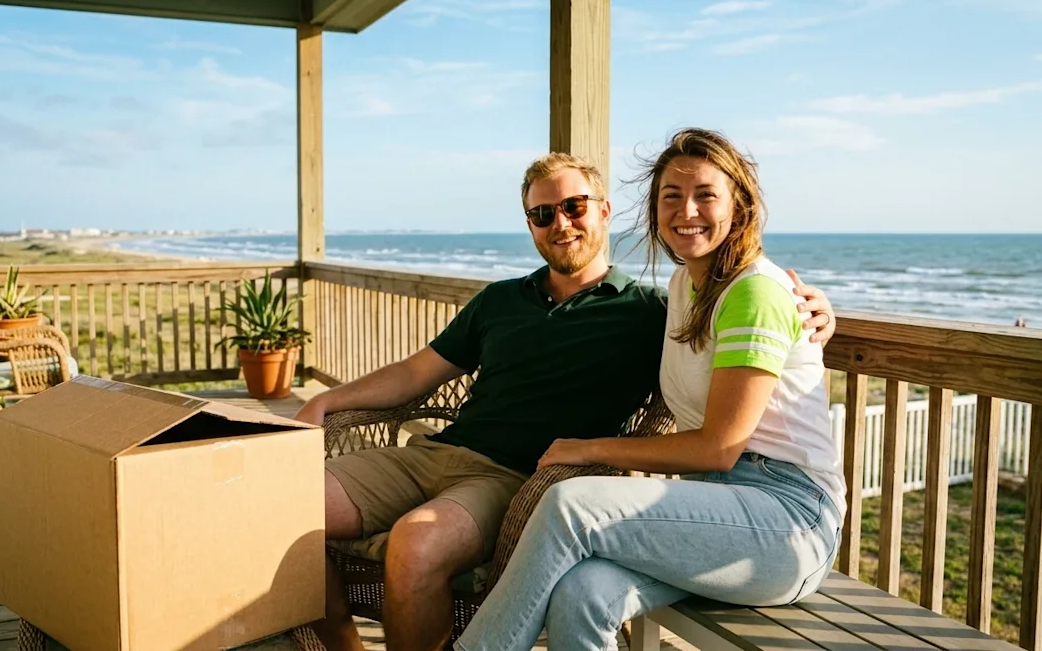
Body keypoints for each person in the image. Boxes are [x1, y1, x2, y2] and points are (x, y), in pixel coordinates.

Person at [293, 152, 837, 651]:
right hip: (436, 454)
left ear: (603, 212)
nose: (561, 223)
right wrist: (328, 401)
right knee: (283, 505)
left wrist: (814, 310)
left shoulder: (646, 310)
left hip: (529, 481)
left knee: (423, 542)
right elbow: (418, 371)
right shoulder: (669, 293)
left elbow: (755, 327)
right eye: (543, 213)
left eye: (574, 207)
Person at [452, 128, 847, 651]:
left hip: (787, 523)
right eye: (671, 196)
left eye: (706, 194)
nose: (688, 210)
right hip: (712, 509)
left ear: (739, 204)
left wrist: (588, 447)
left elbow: (718, 447)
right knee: (581, 591)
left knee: (571, 505)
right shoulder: (686, 286)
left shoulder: (755, 290)